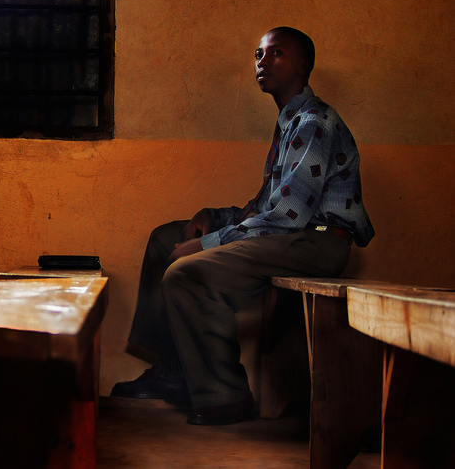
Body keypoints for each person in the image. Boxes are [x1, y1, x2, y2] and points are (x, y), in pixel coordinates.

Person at [111, 26, 375, 426]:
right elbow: (264, 207)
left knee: (186, 274)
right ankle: (175, 370)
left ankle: (225, 395)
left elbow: (286, 218)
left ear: (304, 65)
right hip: (293, 234)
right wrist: (214, 217)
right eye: (258, 54)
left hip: (316, 243)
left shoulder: (314, 122)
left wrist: (206, 245)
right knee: (166, 238)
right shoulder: (289, 123)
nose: (262, 61)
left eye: (276, 53)